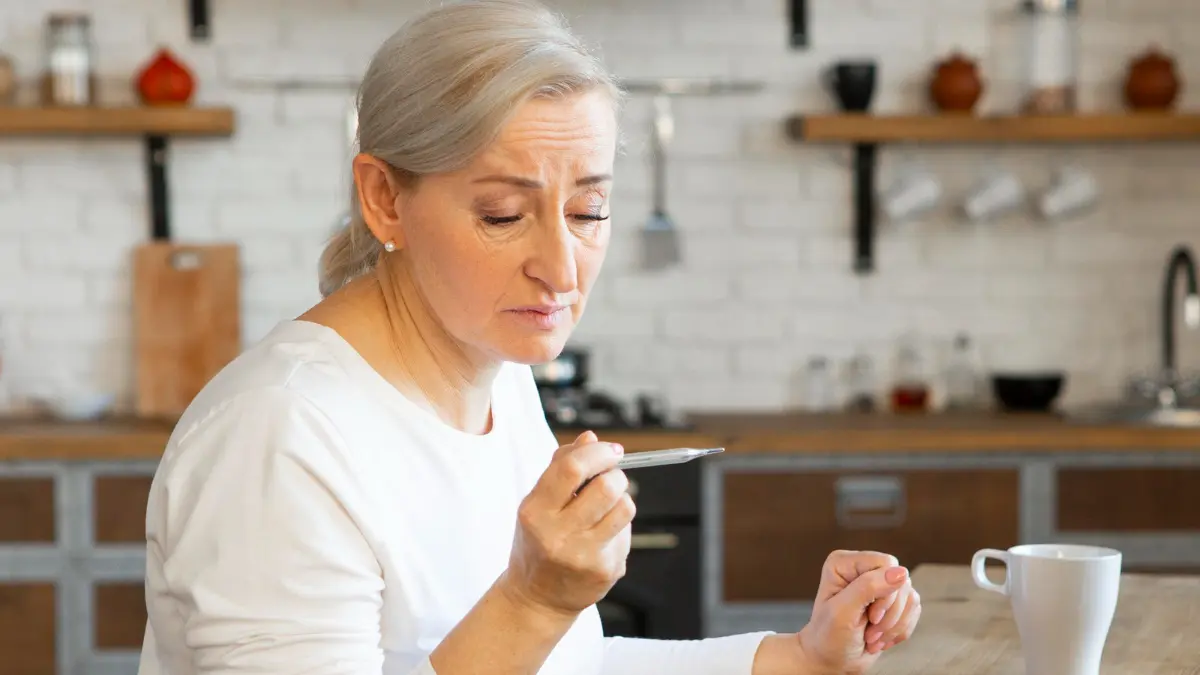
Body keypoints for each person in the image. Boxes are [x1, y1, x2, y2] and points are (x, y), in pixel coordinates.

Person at [136, 1, 921, 673]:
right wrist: (535, 598)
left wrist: (797, 654)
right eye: (503, 215)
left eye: (588, 212)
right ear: (383, 199)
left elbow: (563, 663)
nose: (561, 268)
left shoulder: (496, 372)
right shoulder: (280, 436)